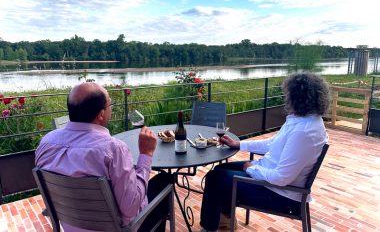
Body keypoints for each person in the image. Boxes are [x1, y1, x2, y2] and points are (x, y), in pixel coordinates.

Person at [199, 73, 330, 232]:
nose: (285, 99)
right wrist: (238, 144)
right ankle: (225, 222)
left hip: (280, 195)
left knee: (214, 179)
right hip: (271, 179)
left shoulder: (303, 132)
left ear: (296, 98)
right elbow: (272, 144)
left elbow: (281, 178)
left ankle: (209, 228)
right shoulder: (303, 121)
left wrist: (250, 168)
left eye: (287, 95)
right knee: (220, 170)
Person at [35, 82, 171, 232]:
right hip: (119, 228)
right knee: (164, 181)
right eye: (110, 105)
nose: (111, 109)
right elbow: (131, 209)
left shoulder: (46, 143)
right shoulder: (114, 149)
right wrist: (146, 154)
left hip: (71, 225)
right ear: (101, 115)